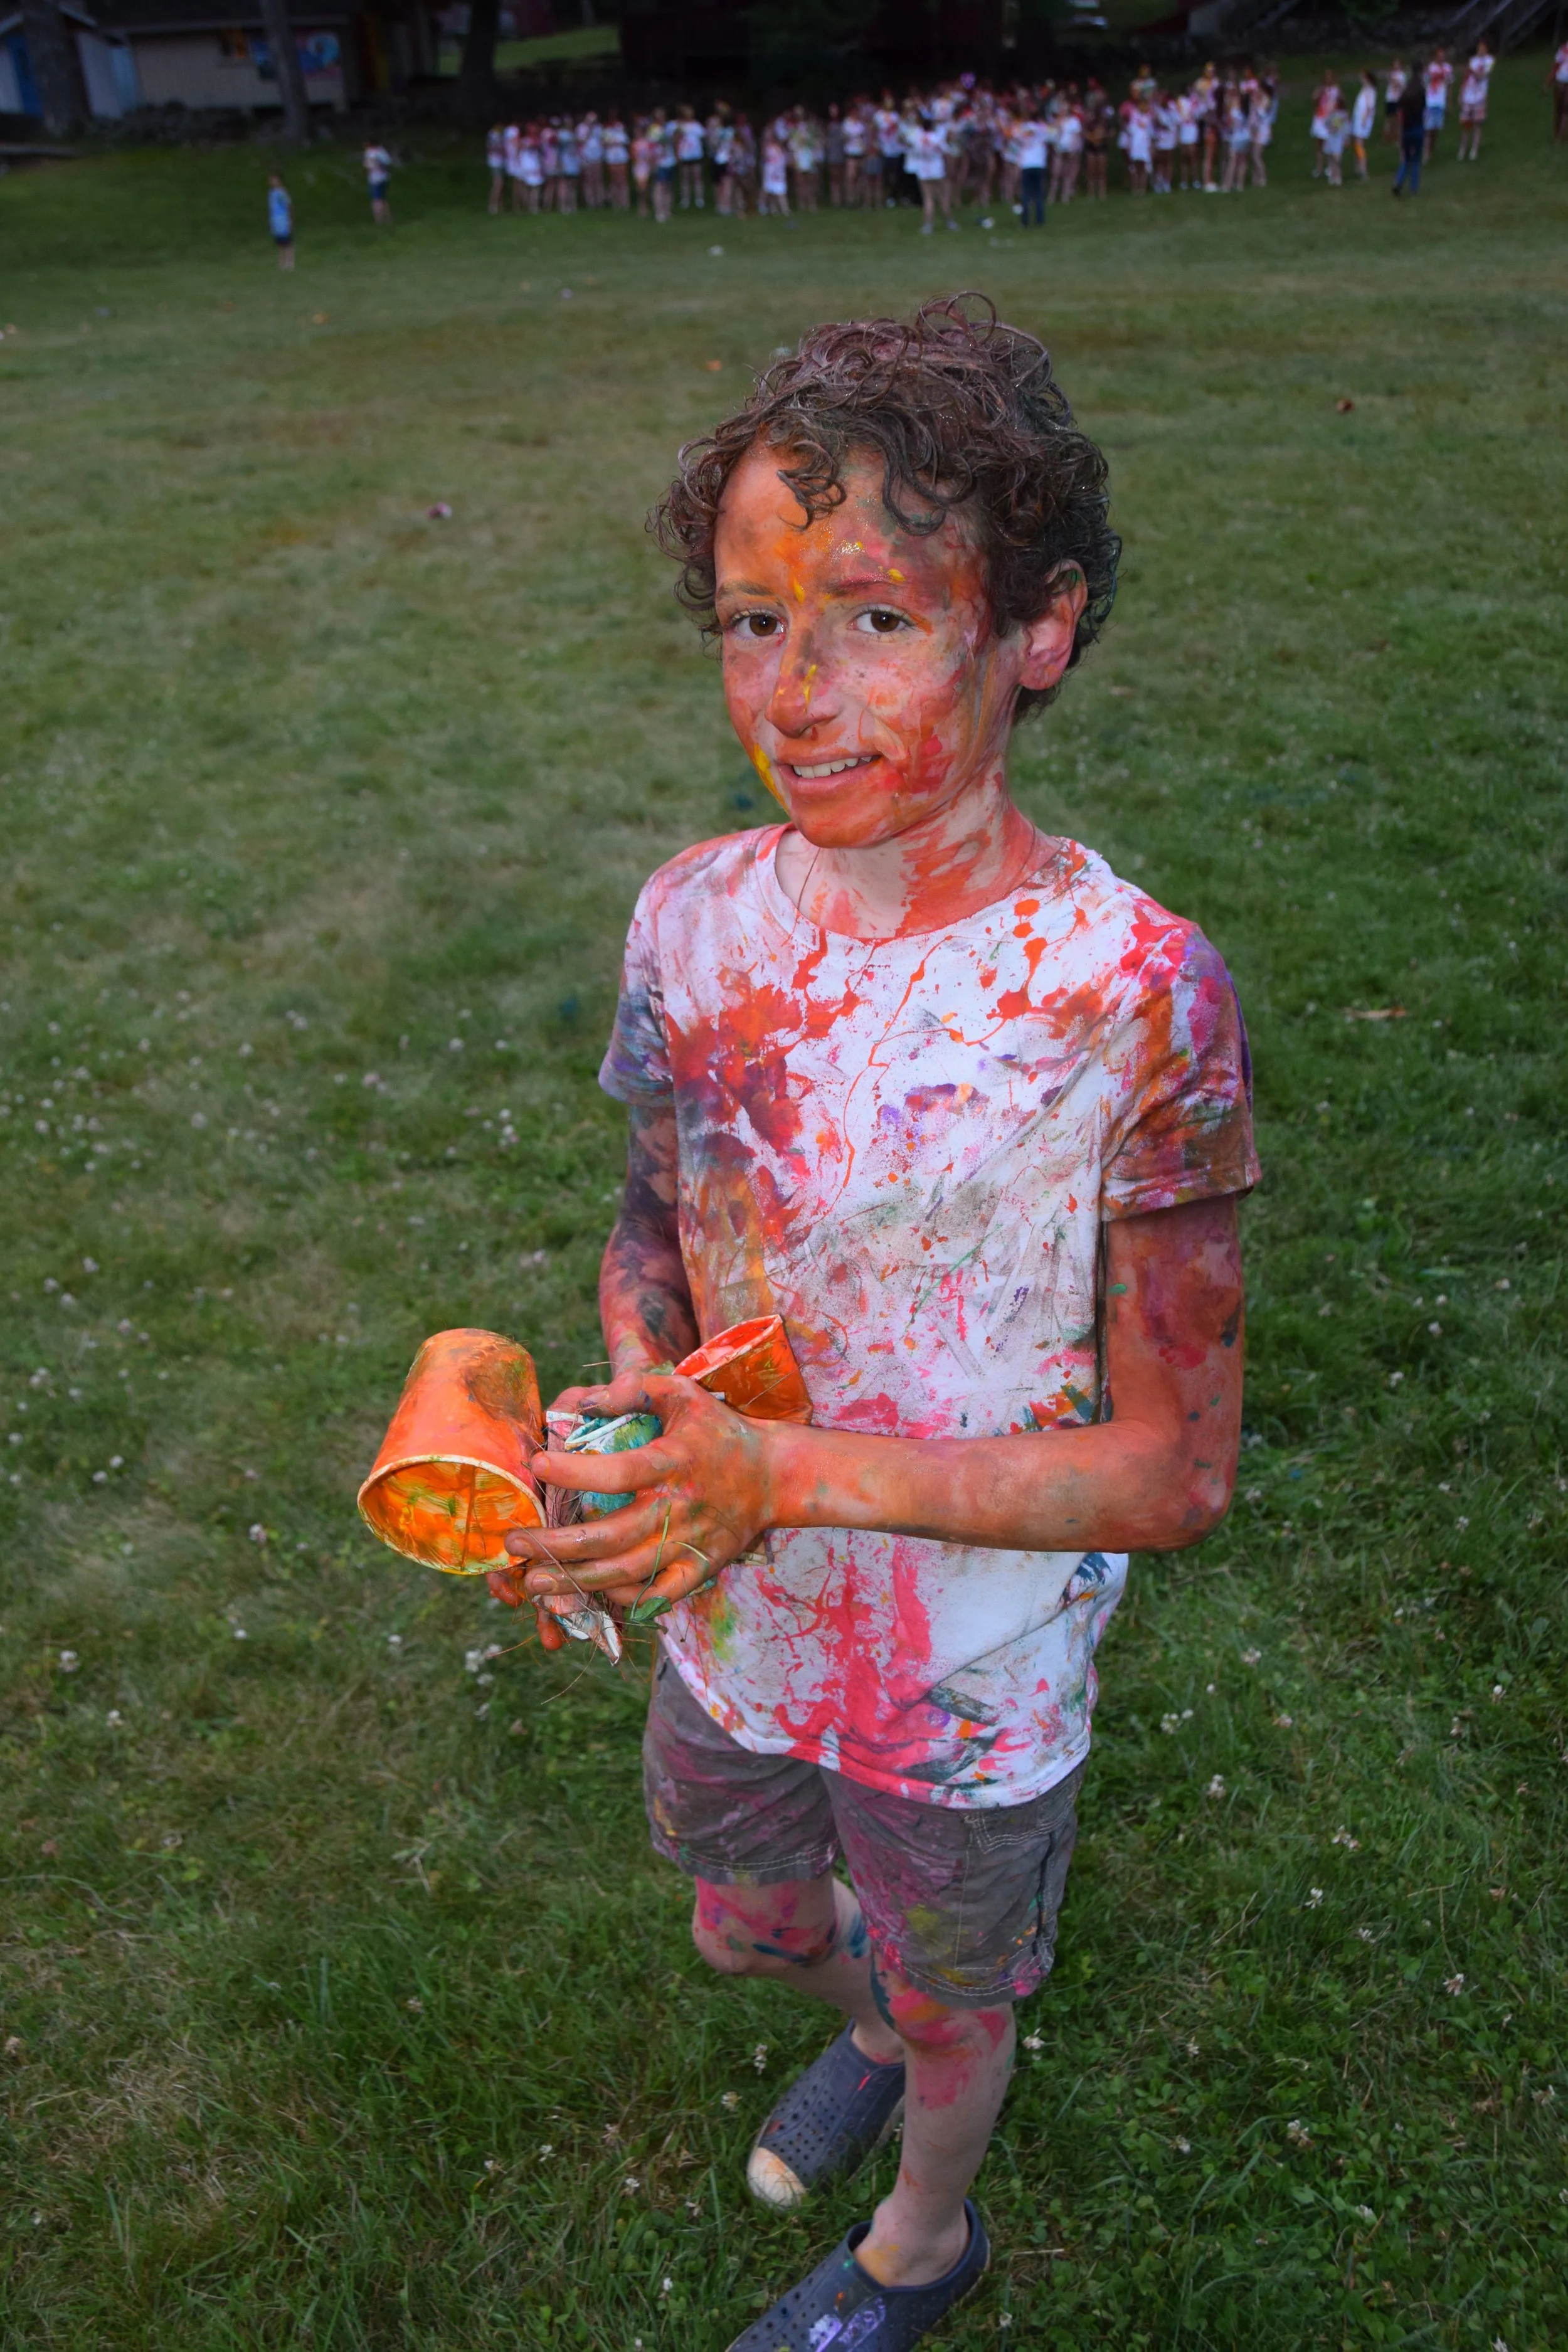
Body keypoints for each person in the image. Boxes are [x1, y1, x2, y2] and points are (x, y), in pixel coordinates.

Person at [491, 296, 1254, 2352]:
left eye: (876, 619)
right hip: (740, 1610)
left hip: (970, 1676)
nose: (800, 694)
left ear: (1038, 627)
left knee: (957, 1994)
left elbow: (1175, 1471)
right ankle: (882, 2031)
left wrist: (782, 1473)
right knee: (747, 1922)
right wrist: (643, 1400)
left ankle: (929, 2232)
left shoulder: (1131, 997)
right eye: (753, 622)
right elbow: (659, 1218)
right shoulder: (692, 922)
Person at [1392, 63, 1427, 194]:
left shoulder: (1406, 92)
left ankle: (1399, 181)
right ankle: (1414, 187)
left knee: (1406, 158)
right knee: (1416, 159)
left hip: (1407, 129)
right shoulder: (1421, 91)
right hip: (1418, 127)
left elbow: (1400, 113)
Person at [1457, 41, 1492, 160]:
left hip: (1480, 97)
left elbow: (1483, 76)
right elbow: (1467, 77)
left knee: (1477, 124)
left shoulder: (1490, 61)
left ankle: (1474, 150)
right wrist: (1462, 92)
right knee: (1466, 124)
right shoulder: (1473, 61)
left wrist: (1474, 72)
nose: (1481, 51)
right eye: (1479, 48)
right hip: (1469, 96)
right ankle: (1463, 149)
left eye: (1483, 48)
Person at [1015, 102, 1047, 226]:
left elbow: (1015, 136)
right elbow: (1053, 136)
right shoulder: (1043, 128)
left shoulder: (1022, 128)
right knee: (1039, 194)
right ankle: (1040, 220)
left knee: (1026, 194)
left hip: (1027, 164)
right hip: (1039, 164)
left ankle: (1025, 221)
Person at [1423, 46, 1453, 163]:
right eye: (1439, 56)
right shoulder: (1431, 68)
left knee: (1435, 129)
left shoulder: (1448, 69)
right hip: (1430, 101)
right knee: (1428, 128)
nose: (1441, 58)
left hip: (1440, 102)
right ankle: (1426, 152)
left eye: (1443, 56)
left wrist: (1449, 102)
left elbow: (1450, 86)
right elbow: (1425, 82)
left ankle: (1431, 149)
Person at [1351, 70, 1377, 177]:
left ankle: (1363, 168)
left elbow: (1370, 107)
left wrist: (1364, 121)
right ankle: (1358, 167)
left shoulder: (1370, 91)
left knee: (1359, 144)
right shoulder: (1365, 90)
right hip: (1358, 120)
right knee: (1357, 144)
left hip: (1363, 121)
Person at [267, 173, 294, 270]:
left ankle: (290, 262)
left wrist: (289, 219)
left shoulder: (282, 192)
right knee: (280, 243)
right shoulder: (271, 193)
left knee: (288, 242)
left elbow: (288, 205)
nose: (273, 182)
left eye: (275, 180)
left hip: (283, 219)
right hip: (276, 220)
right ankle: (282, 262)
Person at [362, 140, 392, 226]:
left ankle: (378, 222)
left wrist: (365, 170)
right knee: (384, 199)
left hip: (375, 180)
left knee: (376, 201)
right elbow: (388, 162)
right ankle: (388, 219)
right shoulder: (382, 151)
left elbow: (368, 167)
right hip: (385, 178)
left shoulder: (370, 153)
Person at [1383, 57, 1407, 143]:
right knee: (1389, 118)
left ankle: (1397, 137)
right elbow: (1388, 84)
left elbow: (1403, 87)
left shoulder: (1402, 76)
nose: (1396, 66)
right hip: (1390, 99)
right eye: (1394, 64)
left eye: (1397, 64)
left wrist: (1396, 83)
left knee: (1398, 119)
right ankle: (1387, 136)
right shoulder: (1391, 75)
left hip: (1397, 99)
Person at [486, 124, 506, 216]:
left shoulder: (500, 134)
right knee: (498, 184)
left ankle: (499, 205)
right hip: (495, 162)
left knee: (500, 184)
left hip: (501, 162)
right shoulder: (493, 135)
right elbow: (493, 148)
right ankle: (493, 205)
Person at [1554, 39, 1568, 142]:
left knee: (1564, 110)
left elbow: (1556, 66)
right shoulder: (1564, 48)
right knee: (1560, 110)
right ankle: (1558, 135)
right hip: (1560, 80)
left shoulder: (1564, 48)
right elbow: (1557, 65)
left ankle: (1559, 136)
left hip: (1562, 80)